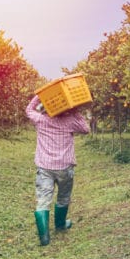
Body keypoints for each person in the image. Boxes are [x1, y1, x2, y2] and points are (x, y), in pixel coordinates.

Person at [25, 94, 91, 246]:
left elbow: (29, 110)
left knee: (43, 200)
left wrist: (40, 95)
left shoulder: (41, 120)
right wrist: (75, 110)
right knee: (63, 196)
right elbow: (86, 129)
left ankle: (44, 238)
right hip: (64, 167)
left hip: (45, 167)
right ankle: (60, 225)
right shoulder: (69, 121)